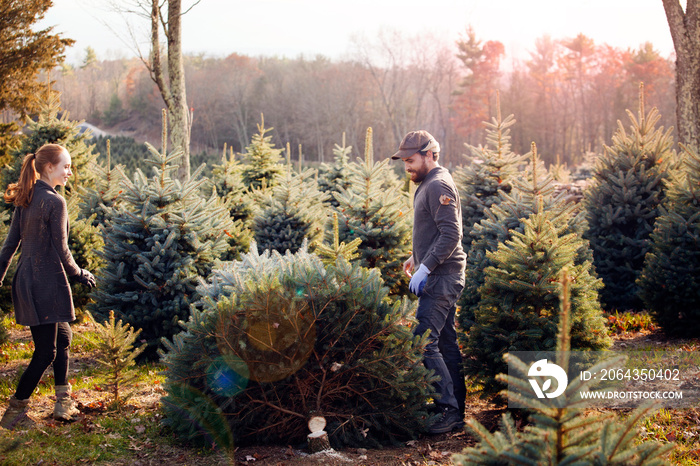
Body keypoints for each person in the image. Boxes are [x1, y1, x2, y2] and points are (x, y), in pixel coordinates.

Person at [0, 144, 96, 430]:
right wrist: (80, 273)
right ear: (48, 168)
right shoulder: (55, 202)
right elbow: (62, 249)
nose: (69, 172)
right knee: (46, 352)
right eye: (65, 166)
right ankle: (15, 411)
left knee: (63, 337)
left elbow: (9, 246)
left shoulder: (27, 198)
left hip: (28, 279)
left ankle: (62, 401)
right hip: (46, 281)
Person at [392, 130, 467, 435]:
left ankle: (446, 410)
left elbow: (451, 234)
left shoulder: (438, 185)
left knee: (424, 341)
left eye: (411, 160)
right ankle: (455, 408)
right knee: (445, 341)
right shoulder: (427, 183)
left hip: (443, 277)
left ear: (429, 153)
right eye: (404, 161)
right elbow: (433, 230)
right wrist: (416, 257)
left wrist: (428, 267)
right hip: (437, 273)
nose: (406, 166)